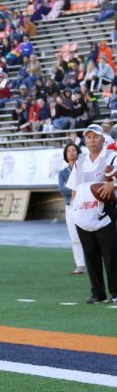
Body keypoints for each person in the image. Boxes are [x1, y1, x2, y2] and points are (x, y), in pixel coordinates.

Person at [66, 124, 117, 303]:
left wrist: (113, 184)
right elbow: (74, 188)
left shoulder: (112, 156)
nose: (91, 140)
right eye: (88, 137)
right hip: (83, 216)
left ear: (103, 139)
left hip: (104, 214)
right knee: (90, 256)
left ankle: (115, 292)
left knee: (111, 255)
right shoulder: (80, 160)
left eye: (95, 137)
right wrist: (74, 209)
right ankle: (98, 293)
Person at [58, 142, 85, 276]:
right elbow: (62, 189)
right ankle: (80, 265)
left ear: (78, 152)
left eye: (74, 150)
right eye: (69, 151)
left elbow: (86, 186)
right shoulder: (62, 173)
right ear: (66, 155)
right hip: (70, 205)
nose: (71, 153)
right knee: (74, 237)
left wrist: (73, 188)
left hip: (85, 205)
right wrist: (76, 188)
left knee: (90, 234)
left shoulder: (84, 168)